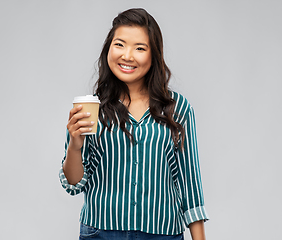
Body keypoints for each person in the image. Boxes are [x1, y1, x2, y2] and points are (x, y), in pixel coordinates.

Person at [59, 8, 209, 240]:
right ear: (108, 49)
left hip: (162, 234)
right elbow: (74, 183)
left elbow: (189, 183)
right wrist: (75, 147)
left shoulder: (177, 108)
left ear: (154, 55)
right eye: (120, 44)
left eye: (139, 48)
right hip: (101, 232)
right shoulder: (91, 109)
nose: (127, 56)